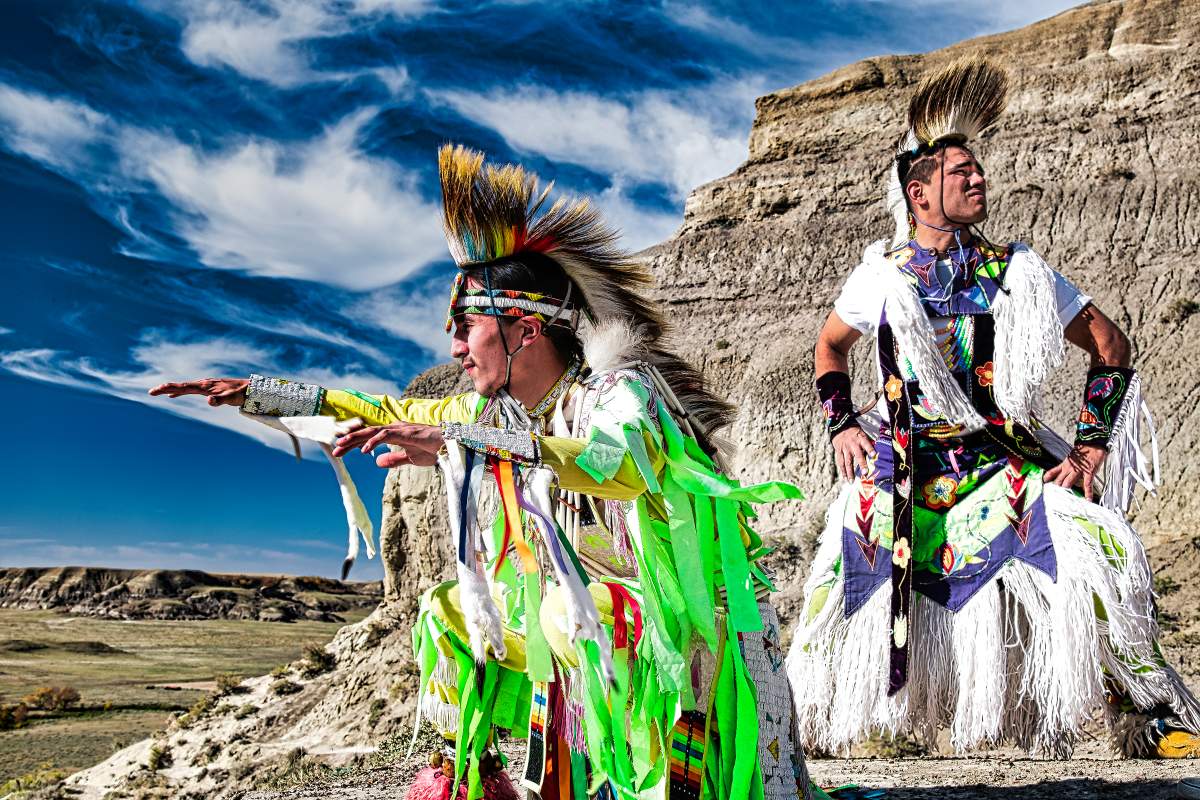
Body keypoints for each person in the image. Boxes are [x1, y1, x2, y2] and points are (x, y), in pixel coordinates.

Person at [152, 145, 819, 800]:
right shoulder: (489, 412)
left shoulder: (621, 394)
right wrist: (259, 392)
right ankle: (473, 784)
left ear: (524, 329)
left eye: (465, 326)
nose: (453, 346)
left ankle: (632, 784)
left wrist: (463, 439)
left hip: (689, 649)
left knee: (569, 611)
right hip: (590, 628)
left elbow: (616, 470)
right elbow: (379, 407)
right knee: (449, 613)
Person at [785, 57, 1200, 762]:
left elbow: (1110, 344)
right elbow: (830, 349)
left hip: (999, 458)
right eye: (961, 173)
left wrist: (1093, 448)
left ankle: (1148, 714)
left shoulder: (1020, 270)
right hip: (904, 465)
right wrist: (842, 422)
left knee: (1099, 553)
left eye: (979, 171)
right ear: (919, 193)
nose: (979, 179)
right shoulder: (880, 275)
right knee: (840, 575)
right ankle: (805, 722)